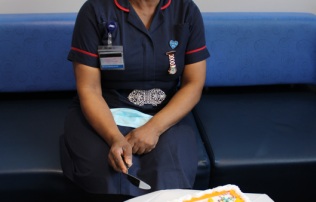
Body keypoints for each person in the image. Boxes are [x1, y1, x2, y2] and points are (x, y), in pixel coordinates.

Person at [59, 0, 210, 200]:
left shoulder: (186, 10)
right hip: (105, 109)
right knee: (108, 175)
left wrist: (154, 128)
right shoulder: (95, 10)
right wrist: (114, 138)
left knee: (169, 178)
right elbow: (89, 88)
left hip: (164, 113)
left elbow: (193, 84)